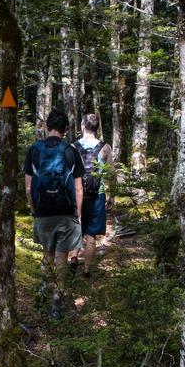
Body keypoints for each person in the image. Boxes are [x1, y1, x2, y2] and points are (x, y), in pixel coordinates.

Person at [24, 108, 85, 318]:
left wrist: (34, 208)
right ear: (65, 129)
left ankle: (43, 289)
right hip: (66, 212)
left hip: (43, 211)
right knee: (62, 257)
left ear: (47, 126)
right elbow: (78, 188)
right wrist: (78, 214)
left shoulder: (34, 150)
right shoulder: (71, 151)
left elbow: (28, 187)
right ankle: (57, 302)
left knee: (47, 254)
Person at [74, 113, 114, 277]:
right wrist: (112, 195)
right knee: (91, 235)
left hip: (77, 194)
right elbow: (110, 173)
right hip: (97, 194)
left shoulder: (73, 146)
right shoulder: (105, 147)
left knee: (75, 230)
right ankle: (87, 270)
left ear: (83, 125)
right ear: (97, 128)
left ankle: (73, 260)